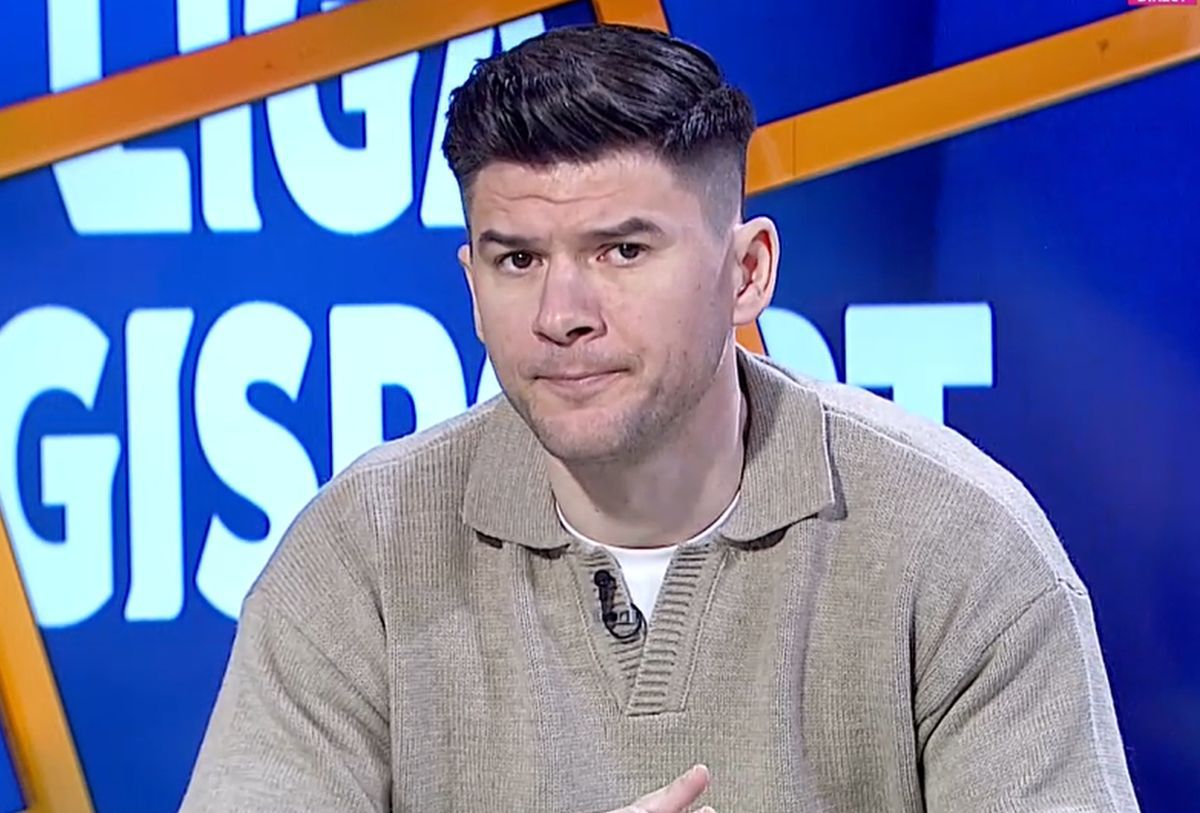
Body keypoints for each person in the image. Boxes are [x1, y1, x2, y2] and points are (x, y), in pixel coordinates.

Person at [180, 23, 1139, 813]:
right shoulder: (359, 555)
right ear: (471, 285)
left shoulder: (959, 544)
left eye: (623, 251)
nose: (562, 314)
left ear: (747, 272)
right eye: (518, 260)